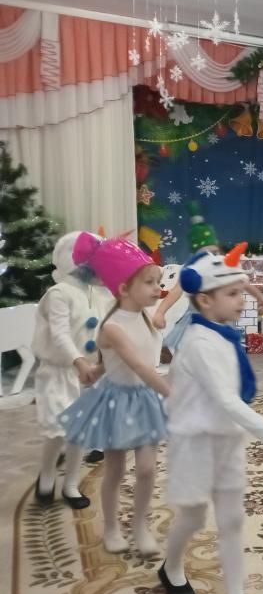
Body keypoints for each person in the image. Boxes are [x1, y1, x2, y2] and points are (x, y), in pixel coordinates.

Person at [158, 244, 263, 594]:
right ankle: (170, 566)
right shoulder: (199, 344)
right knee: (193, 517)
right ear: (205, 300)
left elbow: (230, 400)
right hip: (195, 443)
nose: (242, 299)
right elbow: (224, 398)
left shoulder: (222, 336)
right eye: (233, 293)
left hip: (226, 440)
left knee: (232, 520)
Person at [60, 233, 169, 555]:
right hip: (118, 402)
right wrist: (173, 393)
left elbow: (114, 362)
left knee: (147, 468)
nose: (157, 288)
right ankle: (110, 527)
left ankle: (140, 525)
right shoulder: (111, 326)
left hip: (145, 399)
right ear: (123, 289)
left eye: (157, 281)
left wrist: (96, 369)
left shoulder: (145, 315)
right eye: (149, 282)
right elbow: (137, 364)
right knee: (116, 469)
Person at [32, 231, 108, 509]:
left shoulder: (93, 294)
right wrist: (77, 360)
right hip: (58, 372)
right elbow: (60, 334)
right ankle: (46, 476)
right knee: (57, 430)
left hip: (88, 375)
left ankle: (71, 484)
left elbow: (101, 330)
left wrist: (103, 361)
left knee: (80, 431)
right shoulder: (59, 293)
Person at [151, 201, 263, 353]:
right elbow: (176, 291)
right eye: (204, 252)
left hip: (221, 317)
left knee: (224, 351)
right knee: (200, 353)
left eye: (214, 251)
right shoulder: (191, 269)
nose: (210, 256)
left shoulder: (222, 265)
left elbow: (242, 282)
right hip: (199, 322)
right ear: (195, 252)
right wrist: (161, 311)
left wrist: (260, 298)